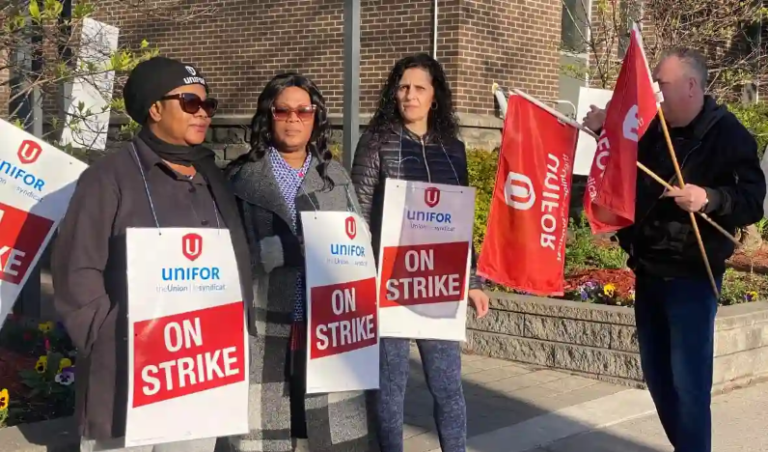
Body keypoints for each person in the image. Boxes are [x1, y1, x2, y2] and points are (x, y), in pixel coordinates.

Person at [52, 57, 253, 452]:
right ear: (154, 109)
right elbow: (77, 270)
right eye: (190, 103)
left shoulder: (214, 177)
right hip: (125, 381)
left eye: (207, 105)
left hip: (199, 377)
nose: (204, 114)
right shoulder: (107, 178)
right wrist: (107, 334)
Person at [583, 48, 766, 452]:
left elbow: (754, 199)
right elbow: (627, 162)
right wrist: (605, 129)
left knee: (689, 385)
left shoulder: (728, 134)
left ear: (690, 86)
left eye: (662, 86)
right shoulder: (654, 128)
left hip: (693, 274)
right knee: (658, 377)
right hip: (649, 270)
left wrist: (710, 198)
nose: (657, 95)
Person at [224, 73, 377, 452]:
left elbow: (361, 243)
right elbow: (224, 257)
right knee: (269, 428)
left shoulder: (335, 177)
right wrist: (263, 257)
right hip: (263, 324)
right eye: (283, 111)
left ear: (315, 118)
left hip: (325, 327)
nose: (293, 119)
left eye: (303, 111)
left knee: (321, 433)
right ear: (268, 116)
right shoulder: (240, 178)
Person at [350, 53, 490, 452]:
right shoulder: (376, 142)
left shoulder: (454, 149)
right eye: (403, 87)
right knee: (389, 393)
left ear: (435, 96)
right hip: (389, 285)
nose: (409, 95)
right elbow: (358, 214)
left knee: (447, 387)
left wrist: (474, 281)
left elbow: (460, 222)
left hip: (439, 285)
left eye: (419, 88)